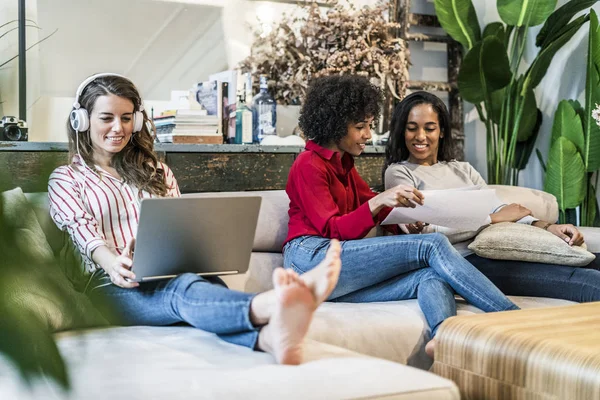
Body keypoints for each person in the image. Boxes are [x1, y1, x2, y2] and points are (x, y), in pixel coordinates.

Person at [48, 73, 343, 365]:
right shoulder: (66, 178)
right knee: (182, 290)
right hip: (108, 287)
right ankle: (272, 303)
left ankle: (268, 339)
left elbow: (180, 229)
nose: (118, 127)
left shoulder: (157, 171)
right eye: (106, 118)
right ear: (82, 121)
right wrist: (114, 263)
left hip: (166, 273)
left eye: (126, 118)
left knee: (203, 284)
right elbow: (83, 232)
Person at [283, 74, 520, 357]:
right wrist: (382, 200)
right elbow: (335, 230)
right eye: (360, 127)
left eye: (369, 126)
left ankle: (443, 338)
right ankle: (515, 320)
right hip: (310, 260)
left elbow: (377, 211)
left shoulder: (344, 165)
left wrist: (404, 222)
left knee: (430, 276)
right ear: (335, 126)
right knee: (432, 246)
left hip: (335, 275)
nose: (368, 135)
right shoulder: (308, 164)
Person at [383, 90, 600, 303]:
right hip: (463, 263)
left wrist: (547, 226)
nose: (420, 136)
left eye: (429, 128)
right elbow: (427, 234)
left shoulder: (463, 170)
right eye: (412, 128)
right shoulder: (399, 173)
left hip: (498, 248)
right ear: (403, 131)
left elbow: (500, 208)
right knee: (588, 283)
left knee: (594, 262)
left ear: (441, 131)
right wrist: (492, 219)